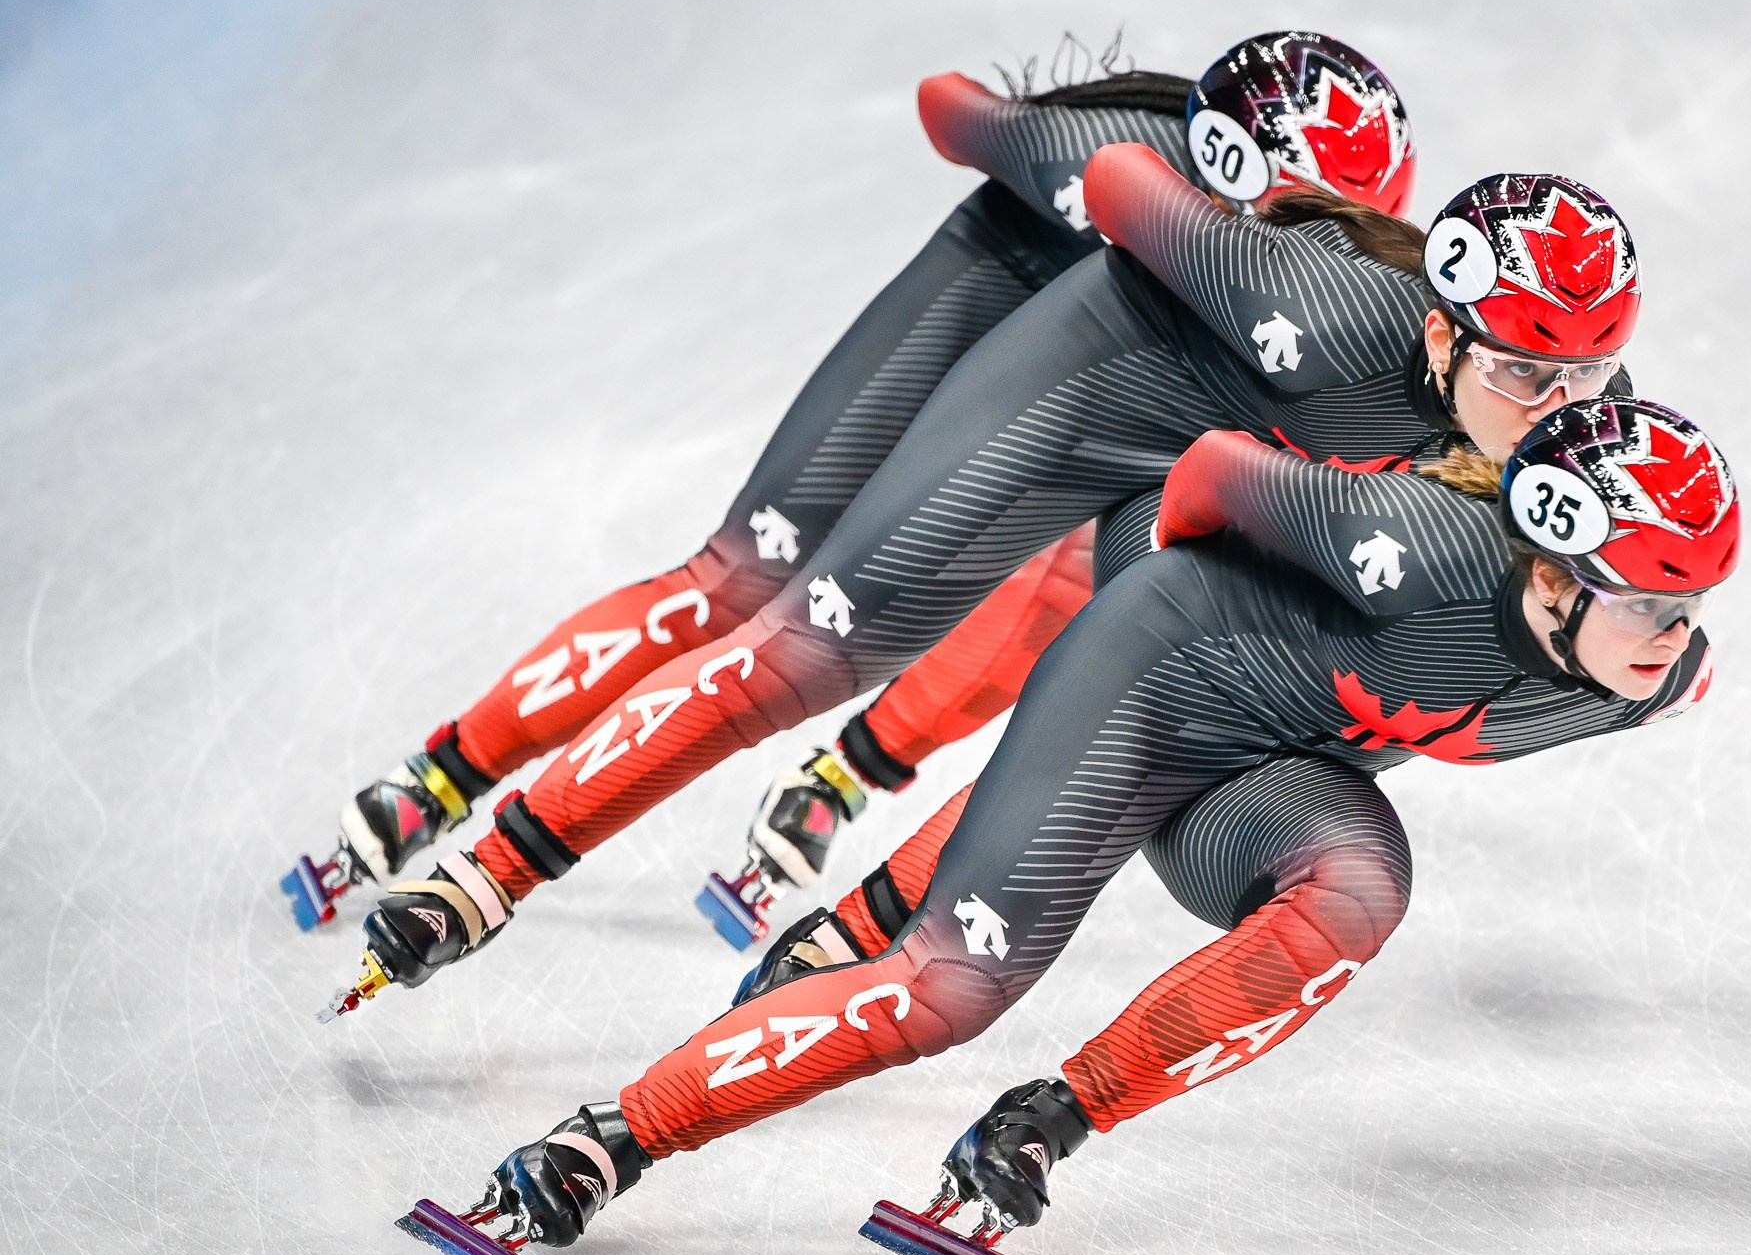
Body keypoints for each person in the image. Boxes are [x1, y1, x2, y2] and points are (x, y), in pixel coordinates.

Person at [399, 392, 1738, 1255]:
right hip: (1150, 680)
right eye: (1653, 602)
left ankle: (1047, 1116)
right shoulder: (1419, 544)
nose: (1675, 634)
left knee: (1360, 888)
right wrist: (1179, 614)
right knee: (947, 991)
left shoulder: (1652, 676)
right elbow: (1202, 480)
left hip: (1266, 767)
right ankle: (612, 1136)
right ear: (1551, 572)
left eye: (1689, 603)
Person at [331, 162, 1657, 1019]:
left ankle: (858, 918)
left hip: (1203, 490)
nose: (1557, 404)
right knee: (807, 647)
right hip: (1072, 409)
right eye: (1524, 372)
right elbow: (1126, 182)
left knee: (1165, 719)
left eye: (1588, 375)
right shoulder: (1314, 305)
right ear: (1439, 329)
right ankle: (488, 869)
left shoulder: (1574, 453)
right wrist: (1212, 219)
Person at [281, 31, 1418, 939]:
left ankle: (852, 768)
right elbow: (947, 106)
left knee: (1094, 590)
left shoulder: (1298, 288)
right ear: (1228, 168)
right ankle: (447, 772)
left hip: (1092, 399)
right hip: (962, 328)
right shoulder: (1124, 155)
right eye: (1302, 221)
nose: (1315, 256)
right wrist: (1050, 157)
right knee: (739, 584)